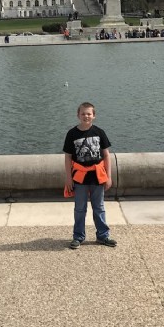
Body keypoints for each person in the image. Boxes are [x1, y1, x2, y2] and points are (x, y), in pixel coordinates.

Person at [63, 102, 116, 249]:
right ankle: (78, 236)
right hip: (79, 177)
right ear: (78, 115)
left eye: (89, 114)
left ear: (94, 115)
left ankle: (103, 236)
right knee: (80, 208)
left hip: (97, 176)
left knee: (99, 207)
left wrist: (109, 176)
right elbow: (68, 157)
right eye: (83, 114)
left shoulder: (100, 132)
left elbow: (106, 156)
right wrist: (68, 177)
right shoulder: (72, 134)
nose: (86, 116)